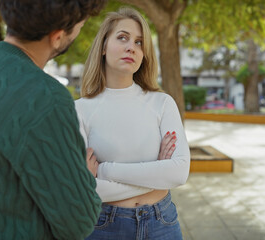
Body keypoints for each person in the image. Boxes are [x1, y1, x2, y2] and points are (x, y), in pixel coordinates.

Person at [0, 0, 107, 239]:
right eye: (80, 25)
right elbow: (78, 221)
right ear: (57, 36)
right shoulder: (45, 97)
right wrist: (85, 177)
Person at [75, 7, 190, 239]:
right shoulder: (80, 109)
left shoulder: (162, 103)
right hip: (104, 226)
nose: (131, 47)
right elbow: (85, 190)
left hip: (162, 224)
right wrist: (157, 174)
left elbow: (178, 173)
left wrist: (105, 170)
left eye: (139, 42)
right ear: (104, 46)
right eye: (122, 37)